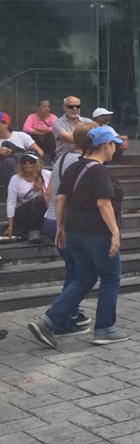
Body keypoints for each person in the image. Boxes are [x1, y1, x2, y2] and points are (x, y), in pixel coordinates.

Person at [28, 125, 128, 348]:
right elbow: (104, 203)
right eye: (113, 145)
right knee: (111, 278)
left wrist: (62, 226)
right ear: (105, 145)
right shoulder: (99, 170)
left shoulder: (75, 165)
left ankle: (49, 321)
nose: (115, 150)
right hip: (97, 233)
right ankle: (105, 329)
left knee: (84, 278)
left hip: (75, 232)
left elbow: (60, 199)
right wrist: (115, 233)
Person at [41, 124, 93, 334]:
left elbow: (49, 193)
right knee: (79, 273)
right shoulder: (82, 163)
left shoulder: (61, 158)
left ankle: (69, 311)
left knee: (74, 269)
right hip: (66, 222)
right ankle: (59, 317)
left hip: (51, 218)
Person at [5, 152, 49, 241]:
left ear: (37, 162)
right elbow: (11, 202)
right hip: (23, 212)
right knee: (39, 200)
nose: (27, 164)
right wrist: (10, 225)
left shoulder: (47, 174)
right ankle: (34, 232)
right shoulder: (15, 179)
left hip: (44, 211)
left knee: (43, 201)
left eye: (31, 161)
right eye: (24, 161)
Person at [0, 110, 44, 187]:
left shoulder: (20, 135)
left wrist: (24, 156)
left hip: (23, 169)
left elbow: (40, 152)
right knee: (9, 162)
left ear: (6, 124)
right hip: (3, 173)